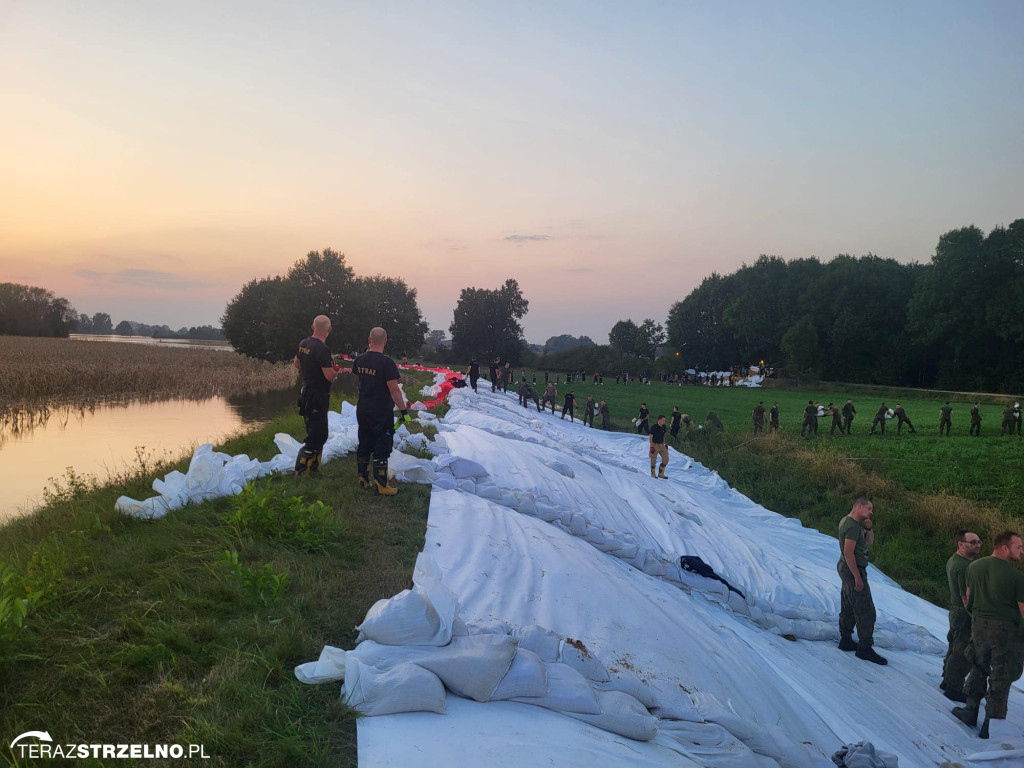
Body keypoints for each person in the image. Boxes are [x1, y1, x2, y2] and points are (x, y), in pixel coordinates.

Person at [952, 531, 1024, 736]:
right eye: (1018, 547)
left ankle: (970, 710)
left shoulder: (973, 567)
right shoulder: (1017, 577)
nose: (1022, 551)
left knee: (978, 666)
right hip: (1005, 631)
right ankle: (991, 725)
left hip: (978, 626)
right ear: (1004, 548)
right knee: (1001, 676)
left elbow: (967, 597)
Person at [354, 327, 409, 496]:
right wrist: (404, 411)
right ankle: (381, 485)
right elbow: (394, 390)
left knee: (364, 441)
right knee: (382, 445)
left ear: (369, 340)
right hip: (380, 410)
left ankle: (363, 478)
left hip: (363, 407)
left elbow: (361, 380)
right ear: (385, 341)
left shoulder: (359, 360)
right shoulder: (387, 363)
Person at [837, 497, 887, 665]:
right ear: (859, 506)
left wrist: (869, 527)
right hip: (853, 569)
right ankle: (865, 648)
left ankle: (846, 640)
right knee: (866, 610)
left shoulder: (855, 524)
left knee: (849, 604)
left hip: (849, 568)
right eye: (868, 508)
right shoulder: (851, 526)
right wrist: (857, 577)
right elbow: (848, 553)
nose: (871, 512)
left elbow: (869, 542)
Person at [293, 315, 339, 476]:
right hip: (318, 395)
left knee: (317, 431)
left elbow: (296, 363)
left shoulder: (304, 343)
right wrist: (335, 370)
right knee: (317, 435)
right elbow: (329, 376)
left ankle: (314, 469)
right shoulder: (322, 349)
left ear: (313, 327)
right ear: (329, 329)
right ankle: (301, 470)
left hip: (306, 391)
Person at [941, 530, 983, 703]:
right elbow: (966, 597)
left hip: (956, 610)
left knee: (954, 644)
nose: (977, 545)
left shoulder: (954, 560)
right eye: (972, 542)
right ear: (960, 544)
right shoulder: (965, 567)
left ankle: (947, 680)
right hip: (964, 612)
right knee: (963, 651)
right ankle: (954, 688)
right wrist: (975, 617)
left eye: (979, 542)